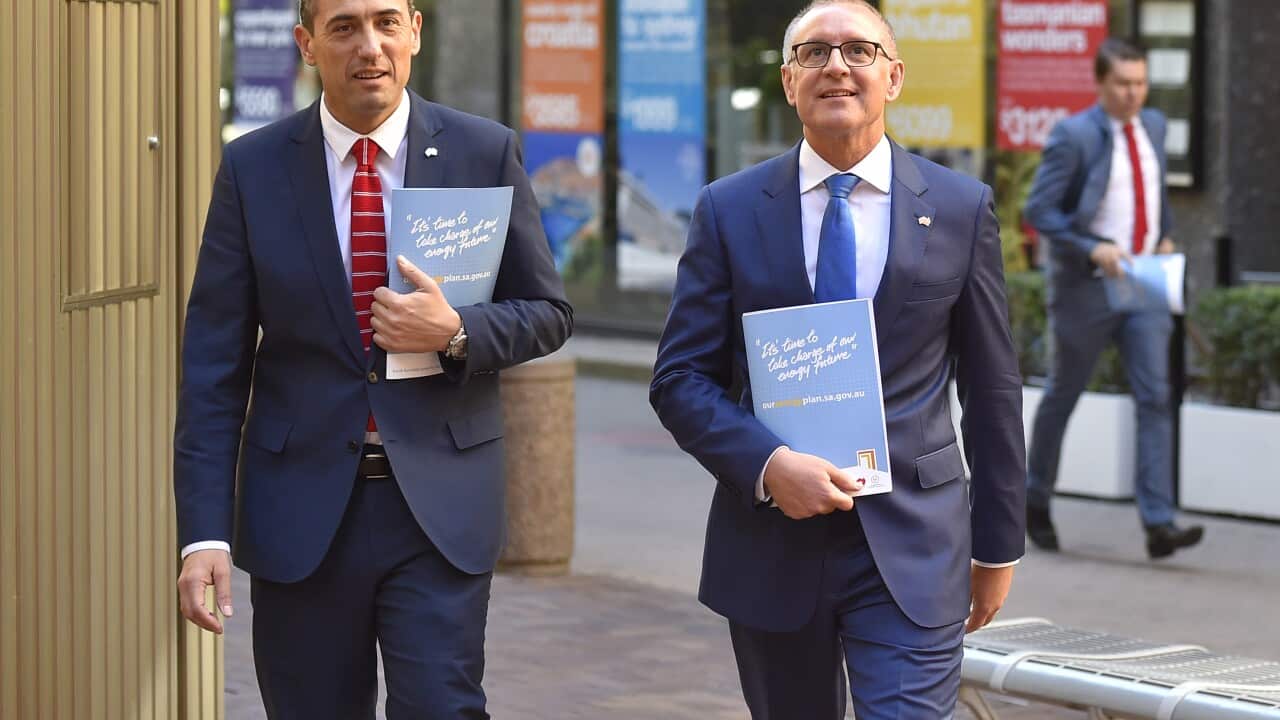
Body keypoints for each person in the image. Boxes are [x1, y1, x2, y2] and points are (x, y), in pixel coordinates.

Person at [173, 1, 572, 717]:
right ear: (306, 45)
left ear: (416, 31)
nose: (370, 47)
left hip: (437, 508)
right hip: (300, 514)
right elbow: (213, 368)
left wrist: (456, 332)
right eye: (344, 28)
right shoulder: (254, 167)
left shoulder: (483, 151)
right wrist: (204, 533)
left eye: (387, 22)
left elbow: (547, 313)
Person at [648, 1, 1025, 717]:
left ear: (895, 76)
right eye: (813, 54)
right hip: (771, 544)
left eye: (858, 51)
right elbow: (680, 380)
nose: (837, 67)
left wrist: (1000, 542)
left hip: (914, 543)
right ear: (789, 82)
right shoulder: (728, 210)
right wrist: (767, 465)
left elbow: (992, 384)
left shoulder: (958, 207)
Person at [1023, 37, 1202, 560]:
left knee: (1155, 396)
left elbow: (1154, 191)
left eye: (1140, 83)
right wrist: (1093, 247)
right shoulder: (1073, 136)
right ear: (1100, 83)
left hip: (1143, 280)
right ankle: (1035, 497)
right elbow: (1041, 211)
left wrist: (1164, 235)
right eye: (1122, 83)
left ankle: (1159, 522)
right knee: (1065, 392)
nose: (1132, 93)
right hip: (1087, 285)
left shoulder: (1154, 125)